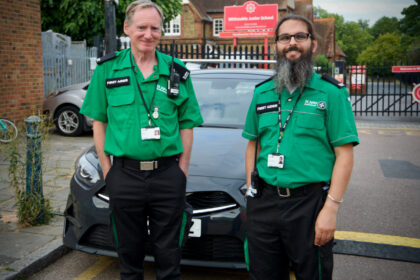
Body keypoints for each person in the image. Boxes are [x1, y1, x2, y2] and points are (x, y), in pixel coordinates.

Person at [80, 1, 203, 279]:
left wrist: (181, 170)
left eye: (154, 28)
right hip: (124, 175)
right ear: (127, 28)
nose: (148, 34)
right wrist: (107, 169)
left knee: (169, 258)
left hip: (167, 174)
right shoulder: (108, 70)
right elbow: (99, 122)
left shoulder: (177, 71)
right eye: (141, 27)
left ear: (161, 31)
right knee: (129, 257)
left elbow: (187, 123)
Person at [242, 14, 359, 280]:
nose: (292, 43)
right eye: (285, 38)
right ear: (276, 45)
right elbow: (253, 145)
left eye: (300, 37)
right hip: (264, 202)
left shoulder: (331, 93)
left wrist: (330, 209)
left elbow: (345, 154)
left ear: (313, 44)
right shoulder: (262, 92)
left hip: (309, 204)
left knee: (313, 274)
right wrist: (251, 191)